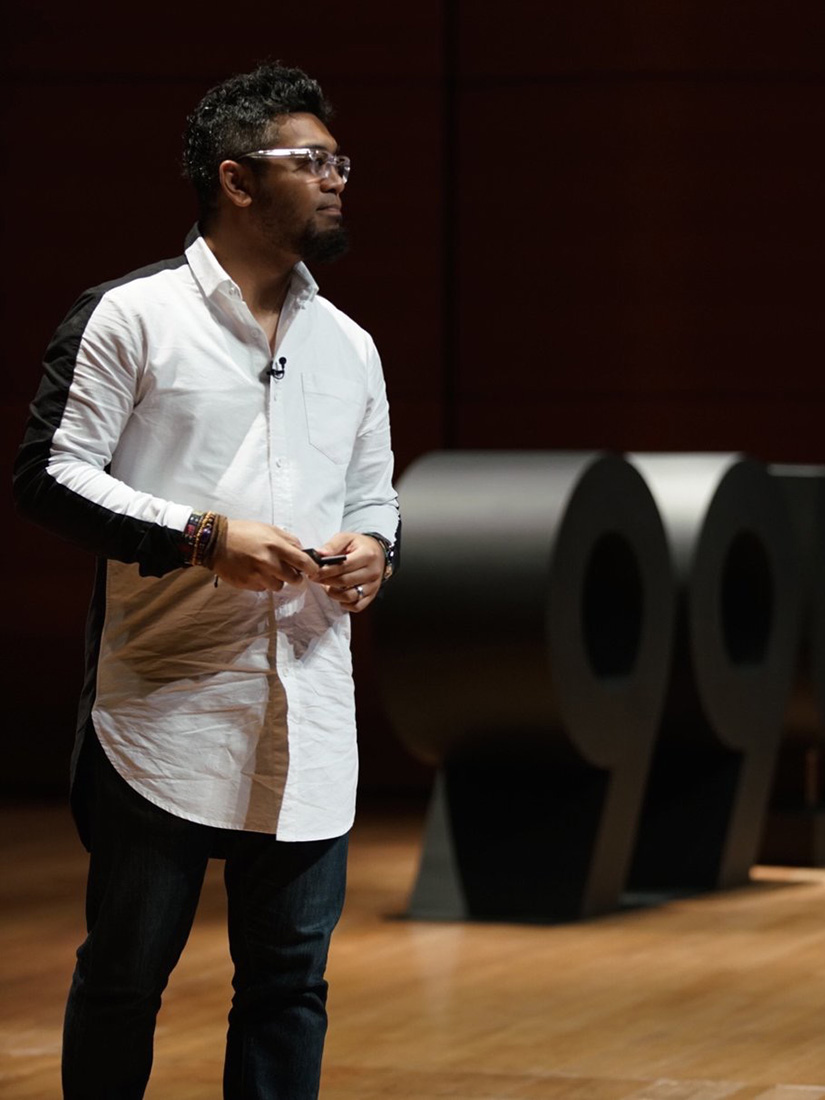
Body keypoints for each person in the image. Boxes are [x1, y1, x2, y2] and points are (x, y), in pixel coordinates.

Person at [13, 63, 400, 1099]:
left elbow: (375, 493)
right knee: (127, 976)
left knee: (288, 982)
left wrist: (375, 546)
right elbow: (46, 475)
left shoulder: (351, 346)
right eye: (309, 160)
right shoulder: (132, 316)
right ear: (235, 180)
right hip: (166, 707)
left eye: (338, 161)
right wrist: (198, 535)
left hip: (311, 705)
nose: (335, 179)